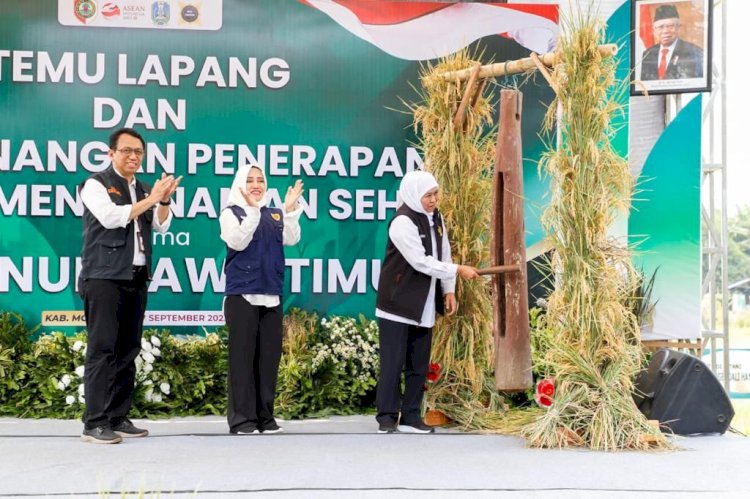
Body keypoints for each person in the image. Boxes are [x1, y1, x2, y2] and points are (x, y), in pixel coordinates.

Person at [78, 127, 181, 444]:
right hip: (104, 278)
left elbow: (162, 225)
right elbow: (111, 218)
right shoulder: (95, 184)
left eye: (139, 152)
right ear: (111, 153)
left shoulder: (145, 188)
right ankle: (94, 423)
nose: (134, 157)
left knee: (128, 349)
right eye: (127, 151)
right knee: (102, 349)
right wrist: (151, 198)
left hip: (136, 276)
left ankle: (118, 416)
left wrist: (163, 200)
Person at [374, 170, 479, 434]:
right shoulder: (402, 222)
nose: (433, 200)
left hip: (423, 304)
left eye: (435, 194)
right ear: (412, 195)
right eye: (427, 196)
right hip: (397, 305)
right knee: (392, 363)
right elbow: (419, 261)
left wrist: (449, 289)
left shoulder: (436, 218)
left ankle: (410, 416)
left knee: (418, 363)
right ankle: (386, 417)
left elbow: (444, 253)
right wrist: (457, 270)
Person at [220, 164, 304, 435]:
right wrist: (253, 212)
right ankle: (242, 420)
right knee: (242, 360)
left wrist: (290, 212)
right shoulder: (230, 213)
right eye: (250, 180)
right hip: (242, 296)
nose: (256, 185)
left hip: (271, 294)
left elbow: (291, 239)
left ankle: (264, 418)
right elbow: (238, 241)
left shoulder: (275, 214)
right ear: (240, 185)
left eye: (260, 180)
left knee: (268, 359)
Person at [640, 4, 703, 81]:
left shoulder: (694, 52)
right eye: (661, 27)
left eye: (670, 26)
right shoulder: (647, 54)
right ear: (654, 30)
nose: (665, 31)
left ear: (678, 28)